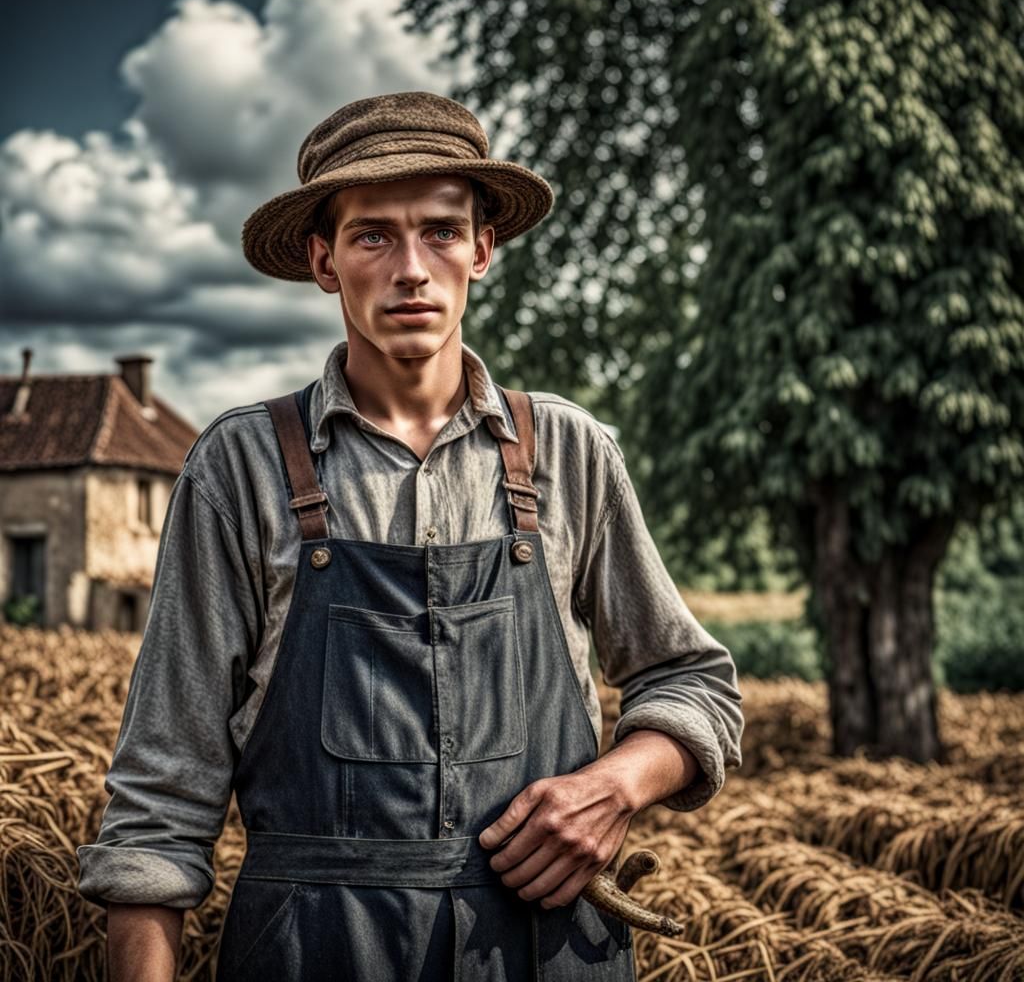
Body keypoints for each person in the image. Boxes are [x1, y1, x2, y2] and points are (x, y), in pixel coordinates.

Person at [77, 91, 744, 981]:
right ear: (323, 258)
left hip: (545, 953)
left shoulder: (568, 453)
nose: (413, 270)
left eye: (440, 231)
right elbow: (159, 802)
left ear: (483, 249)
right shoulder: (240, 467)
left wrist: (615, 785)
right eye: (373, 236)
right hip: (311, 954)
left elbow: (691, 680)